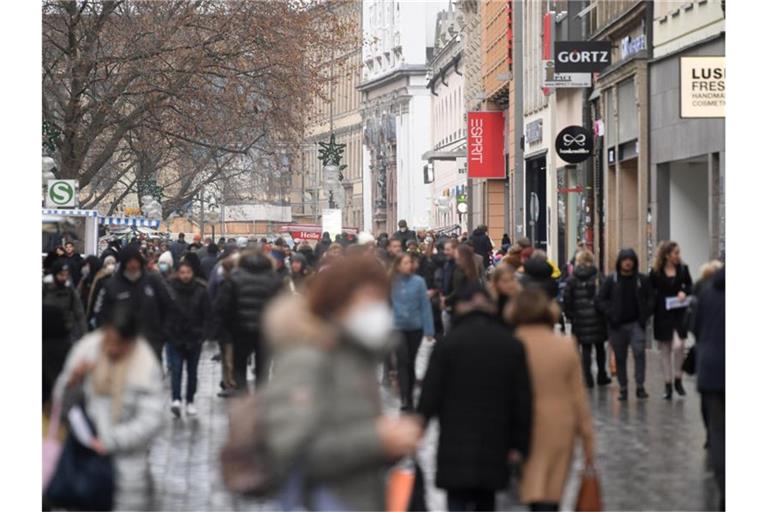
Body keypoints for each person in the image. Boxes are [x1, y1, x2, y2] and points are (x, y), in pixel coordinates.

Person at [261, 255, 422, 511]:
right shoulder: (306, 358)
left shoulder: (356, 358)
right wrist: (377, 439)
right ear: (339, 299)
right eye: (369, 298)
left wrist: (390, 445)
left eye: (381, 299)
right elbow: (291, 451)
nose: (377, 309)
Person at [418, 284, 532, 512]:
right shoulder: (510, 344)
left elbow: (430, 394)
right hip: (495, 439)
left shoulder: (449, 344)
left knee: (457, 500)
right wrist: (520, 444)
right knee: (486, 500)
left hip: (455, 440)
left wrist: (417, 429)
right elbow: (522, 399)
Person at [52, 306, 164, 512]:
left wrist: (110, 440)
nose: (112, 349)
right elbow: (60, 401)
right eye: (108, 341)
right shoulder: (87, 349)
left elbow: (152, 418)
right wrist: (74, 379)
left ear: (131, 341)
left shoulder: (145, 363)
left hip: (127, 471)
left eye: (119, 344)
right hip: (83, 464)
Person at [508, 289, 595, 511]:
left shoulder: (509, 345)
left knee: (531, 485)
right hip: (559, 425)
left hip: (520, 426)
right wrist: (588, 441)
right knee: (552, 491)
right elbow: (578, 396)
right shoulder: (564, 346)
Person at [214, 250, 283, 389]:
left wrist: (225, 329)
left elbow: (222, 306)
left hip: (240, 330)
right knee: (262, 370)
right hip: (265, 331)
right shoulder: (274, 278)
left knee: (239, 367)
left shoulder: (235, 277)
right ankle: (260, 400)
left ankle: (242, 396)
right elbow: (280, 305)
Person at [94, 245, 173, 362]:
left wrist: (162, 333)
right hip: (121, 344)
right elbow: (102, 313)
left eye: (135, 261)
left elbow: (167, 305)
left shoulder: (152, 282)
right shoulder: (113, 285)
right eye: (129, 262)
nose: (133, 265)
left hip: (150, 342)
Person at [596, 248, 654, 401]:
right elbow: (600, 300)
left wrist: (645, 316)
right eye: (624, 260)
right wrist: (610, 313)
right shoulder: (611, 280)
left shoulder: (642, 280)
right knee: (620, 357)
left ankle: (640, 385)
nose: (627, 263)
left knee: (639, 352)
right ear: (620, 262)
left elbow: (651, 298)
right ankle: (623, 387)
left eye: (630, 260)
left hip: (636, 323)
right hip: (617, 326)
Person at [693, 267, 725, 511]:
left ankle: (724, 487)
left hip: (711, 370)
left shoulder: (707, 292)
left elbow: (694, 326)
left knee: (718, 432)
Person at [165, 261, 211, 417]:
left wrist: (203, 334)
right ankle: (176, 400)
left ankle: (190, 400)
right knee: (176, 370)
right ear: (178, 273)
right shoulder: (170, 289)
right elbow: (164, 311)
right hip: (175, 337)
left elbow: (207, 313)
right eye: (182, 272)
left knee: (192, 372)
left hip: (194, 337)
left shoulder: (201, 290)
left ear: (193, 273)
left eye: (188, 272)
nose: (185, 275)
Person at [390, 253, 434, 411]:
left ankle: (410, 395)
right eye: (405, 262)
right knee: (403, 360)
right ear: (398, 265)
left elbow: (425, 306)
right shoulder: (392, 283)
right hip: (397, 327)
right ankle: (404, 397)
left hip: (415, 327)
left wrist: (429, 329)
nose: (409, 265)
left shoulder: (419, 282)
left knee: (411, 362)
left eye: (410, 262)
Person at [650, 241, 693, 399]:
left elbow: (690, 285)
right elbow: (650, 290)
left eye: (678, 253)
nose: (678, 256)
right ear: (667, 255)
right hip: (662, 314)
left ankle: (678, 378)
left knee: (679, 345)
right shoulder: (656, 272)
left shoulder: (683, 269)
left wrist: (683, 291)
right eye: (675, 253)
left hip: (679, 313)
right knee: (665, 351)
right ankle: (668, 385)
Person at [563, 249, 611, 388]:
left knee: (586, 349)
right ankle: (602, 374)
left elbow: (567, 299)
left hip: (580, 320)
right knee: (600, 347)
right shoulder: (598, 277)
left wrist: (571, 315)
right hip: (598, 319)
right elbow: (606, 295)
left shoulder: (572, 279)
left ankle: (587, 377)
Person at [43, 260, 88, 342]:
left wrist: (84, 335)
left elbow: (79, 313)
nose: (64, 278)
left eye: (66, 275)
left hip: (65, 333)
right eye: (61, 275)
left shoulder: (69, 289)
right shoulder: (45, 288)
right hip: (46, 333)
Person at [86, 255, 116, 327]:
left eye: (112, 263)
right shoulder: (99, 277)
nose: (110, 266)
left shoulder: (107, 278)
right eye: (108, 263)